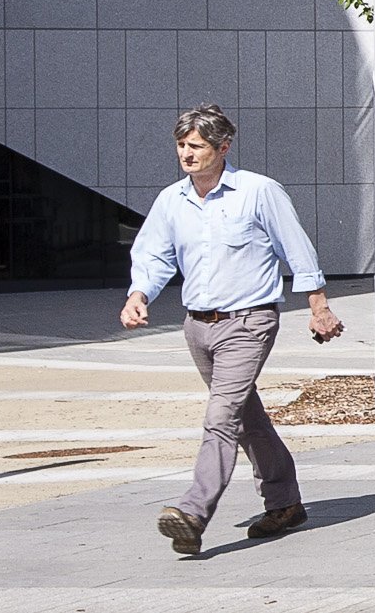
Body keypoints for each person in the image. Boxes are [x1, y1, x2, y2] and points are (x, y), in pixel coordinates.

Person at [120, 105, 343, 558]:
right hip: (197, 326)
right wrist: (139, 293)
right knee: (244, 416)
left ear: (223, 148)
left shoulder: (259, 191)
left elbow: (296, 248)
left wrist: (318, 307)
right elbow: (154, 255)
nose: (187, 153)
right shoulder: (172, 200)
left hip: (249, 321)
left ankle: (193, 512)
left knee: (221, 418)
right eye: (182, 145)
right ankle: (284, 504)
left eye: (197, 146)